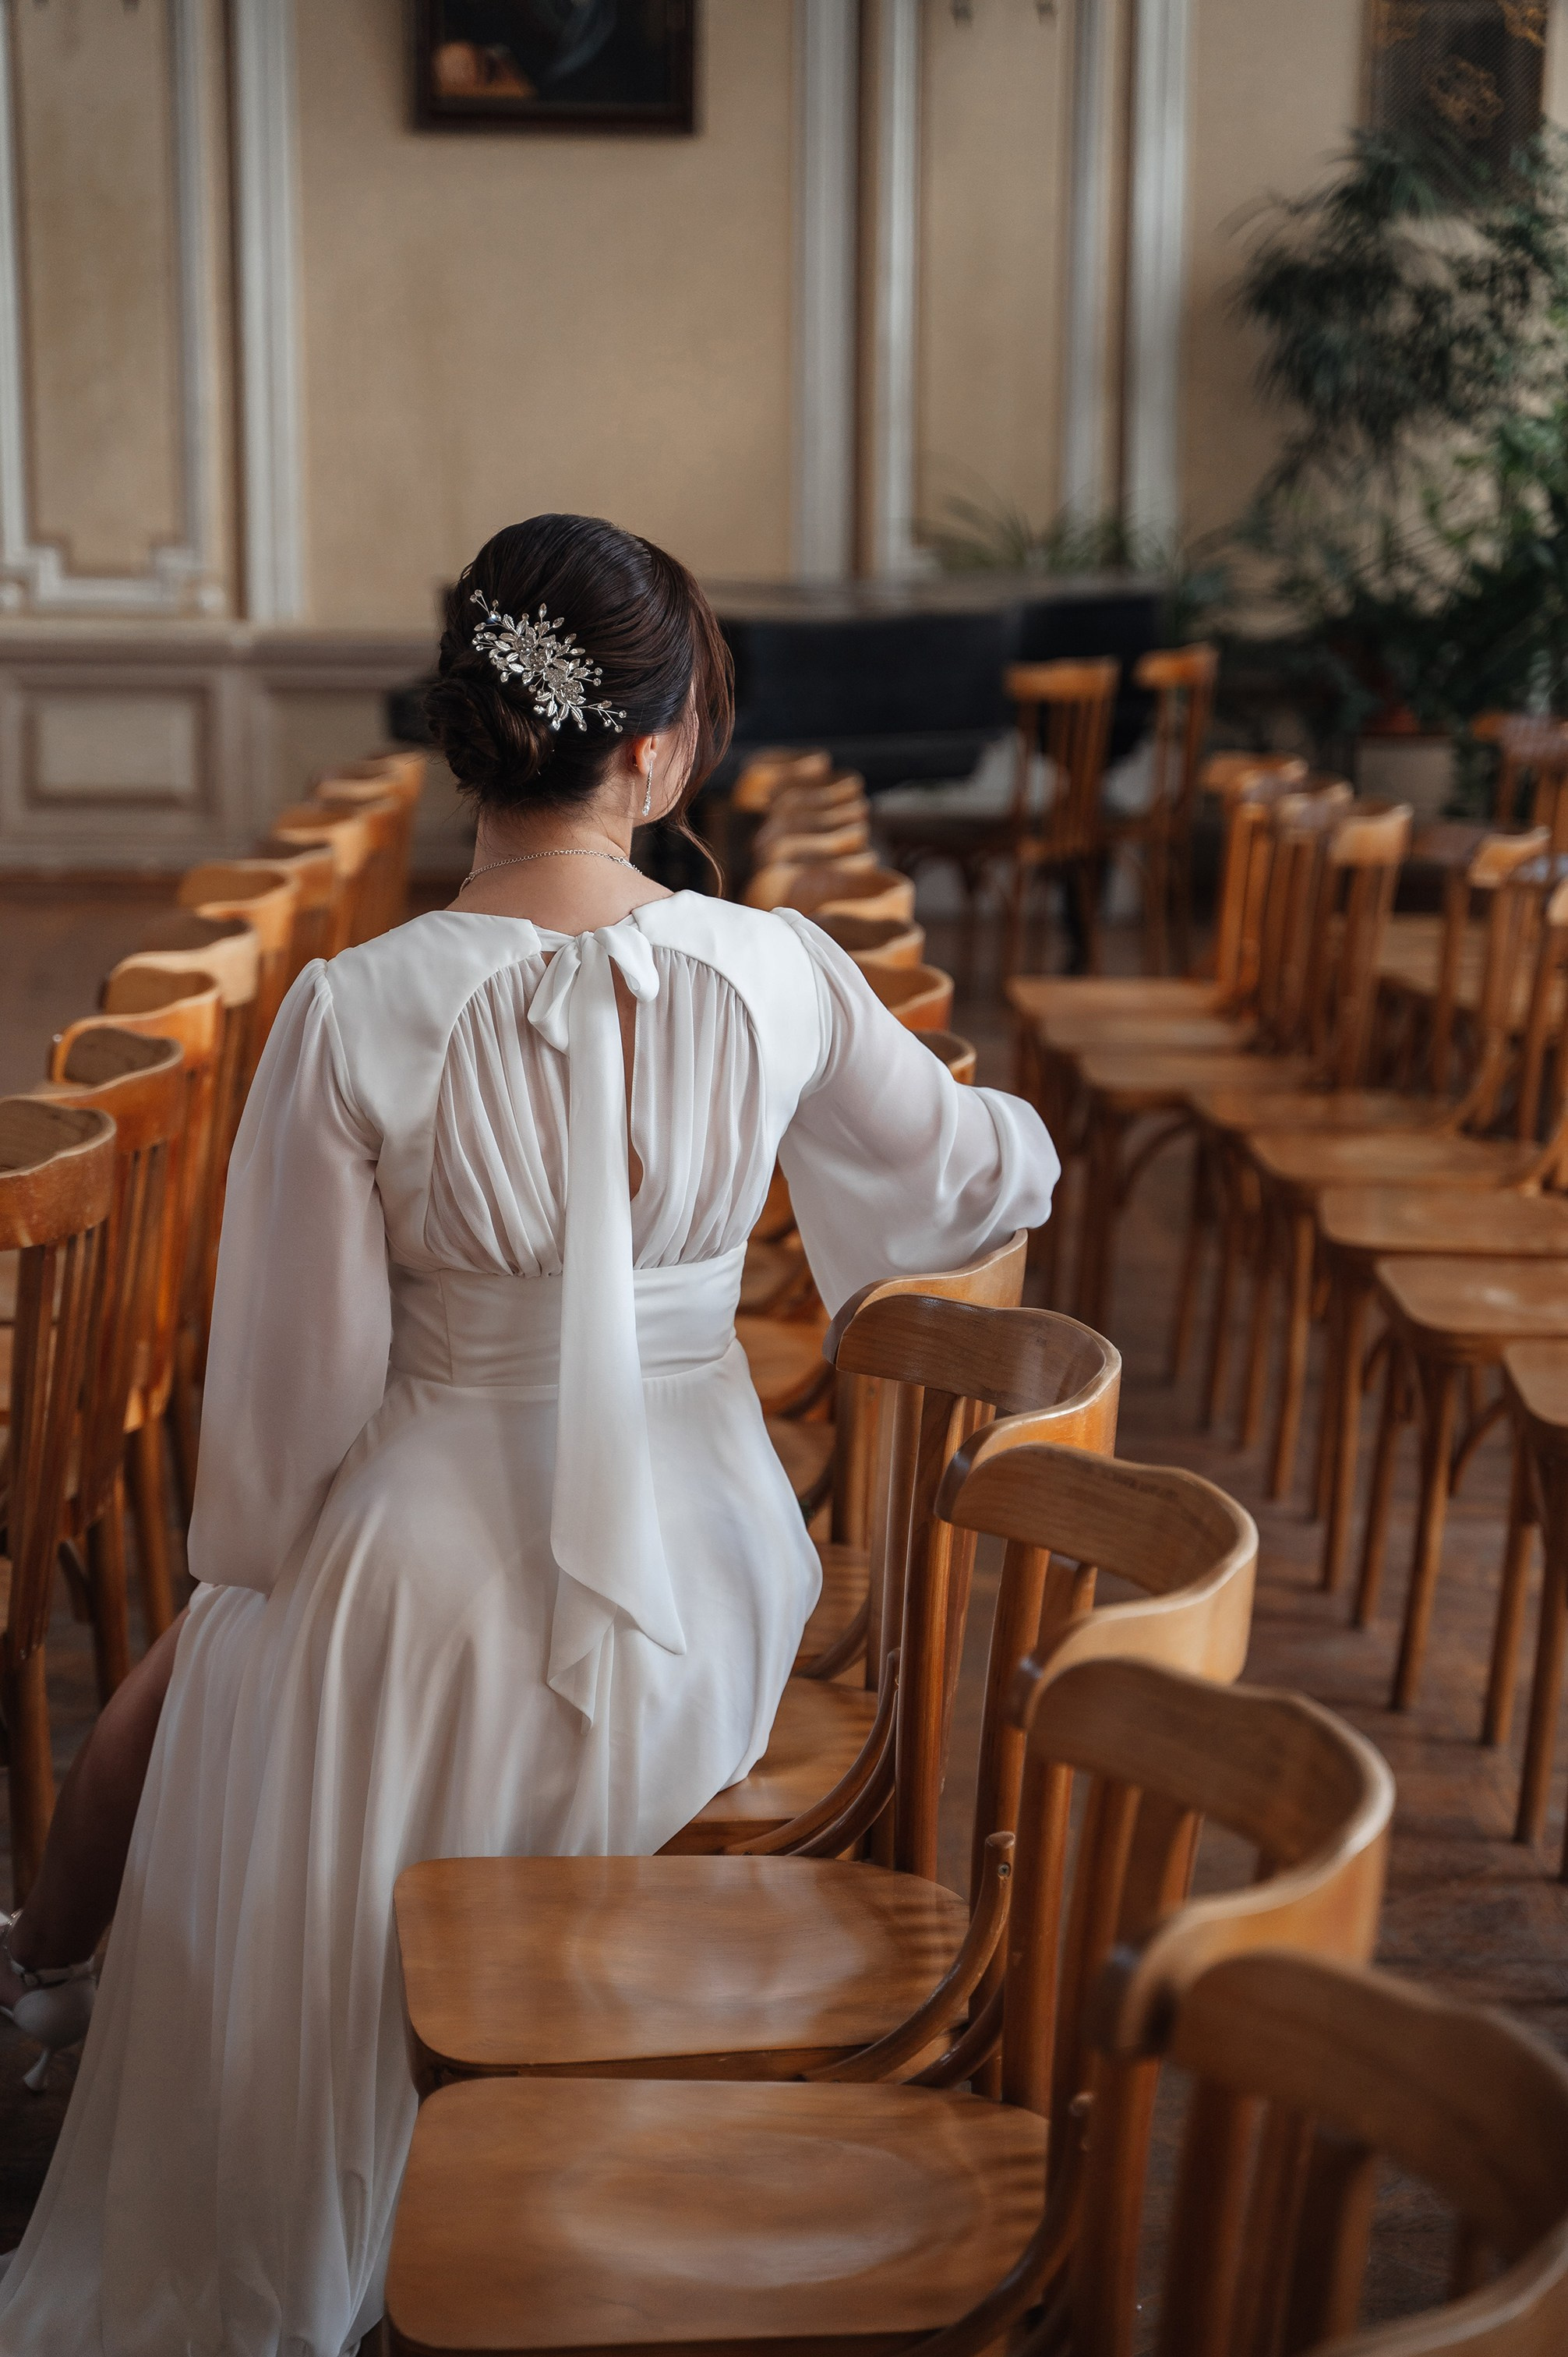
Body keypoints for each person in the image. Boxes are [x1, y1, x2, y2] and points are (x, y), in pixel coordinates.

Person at [0, 514, 1059, 2355]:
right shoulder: (782, 970)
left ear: (471, 734)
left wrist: (257, 1598)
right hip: (707, 1585)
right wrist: (1025, 1141)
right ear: (652, 748)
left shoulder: (350, 1015)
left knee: (241, 1676)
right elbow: (967, 1177)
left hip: (415, 1568)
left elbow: (293, 1414)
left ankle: (239, 2124)